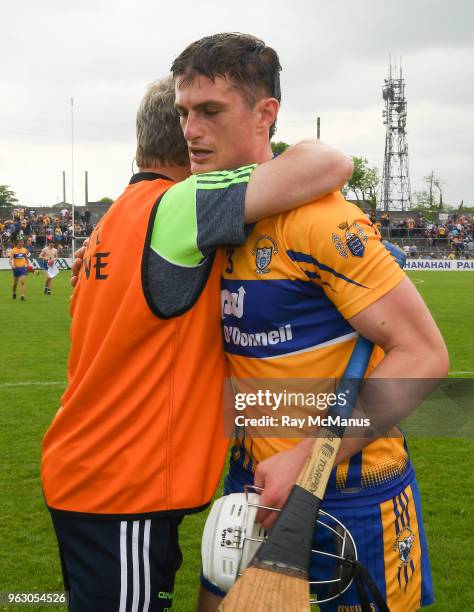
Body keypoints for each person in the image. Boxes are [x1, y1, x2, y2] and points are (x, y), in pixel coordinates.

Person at [42, 74, 352, 612]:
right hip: (122, 485)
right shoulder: (181, 203)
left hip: (91, 469)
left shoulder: (118, 216)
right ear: (189, 145)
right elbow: (330, 164)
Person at [169, 33, 449, 611]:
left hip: (346, 496)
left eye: (210, 111)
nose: (191, 131)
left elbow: (424, 354)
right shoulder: (211, 219)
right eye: (184, 113)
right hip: (250, 491)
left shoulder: (320, 219)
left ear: (265, 114)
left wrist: (311, 455)